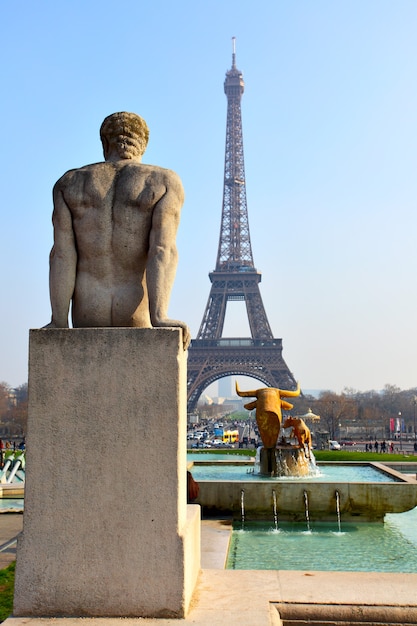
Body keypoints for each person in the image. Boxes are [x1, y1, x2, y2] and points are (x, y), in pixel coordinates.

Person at [44, 112, 190, 349]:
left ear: (105, 143)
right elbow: (162, 250)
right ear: (143, 144)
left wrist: (58, 320)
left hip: (87, 311)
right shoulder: (164, 181)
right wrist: (159, 316)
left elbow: (61, 254)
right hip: (136, 313)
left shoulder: (68, 183)